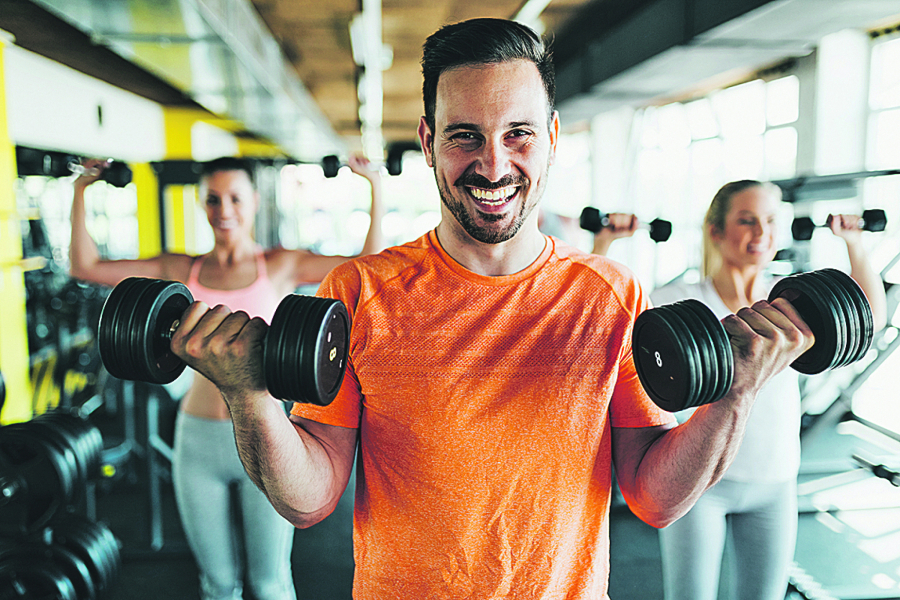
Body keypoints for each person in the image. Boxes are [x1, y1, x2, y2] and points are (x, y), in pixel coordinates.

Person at [167, 19, 818, 599]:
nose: (493, 163)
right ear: (427, 141)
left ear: (553, 137)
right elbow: (310, 503)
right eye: (464, 136)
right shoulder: (360, 291)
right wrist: (248, 398)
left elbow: (654, 500)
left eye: (519, 134)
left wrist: (733, 396)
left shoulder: (611, 295)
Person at [70, 154, 385, 600]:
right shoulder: (183, 270)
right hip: (196, 438)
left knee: (270, 582)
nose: (224, 210)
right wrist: (81, 190)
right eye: (213, 199)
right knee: (217, 586)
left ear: (254, 201)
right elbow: (86, 267)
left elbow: (367, 265)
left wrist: (374, 186)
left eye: (235, 197)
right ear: (202, 204)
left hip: (267, 434)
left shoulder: (278, 264)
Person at [596, 182, 887, 600]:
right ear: (716, 231)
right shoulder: (680, 300)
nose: (761, 232)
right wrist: (603, 242)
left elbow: (866, 320)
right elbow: (603, 321)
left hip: (777, 480)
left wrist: (854, 244)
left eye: (770, 221)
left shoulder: (793, 306)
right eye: (746, 220)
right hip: (700, 487)